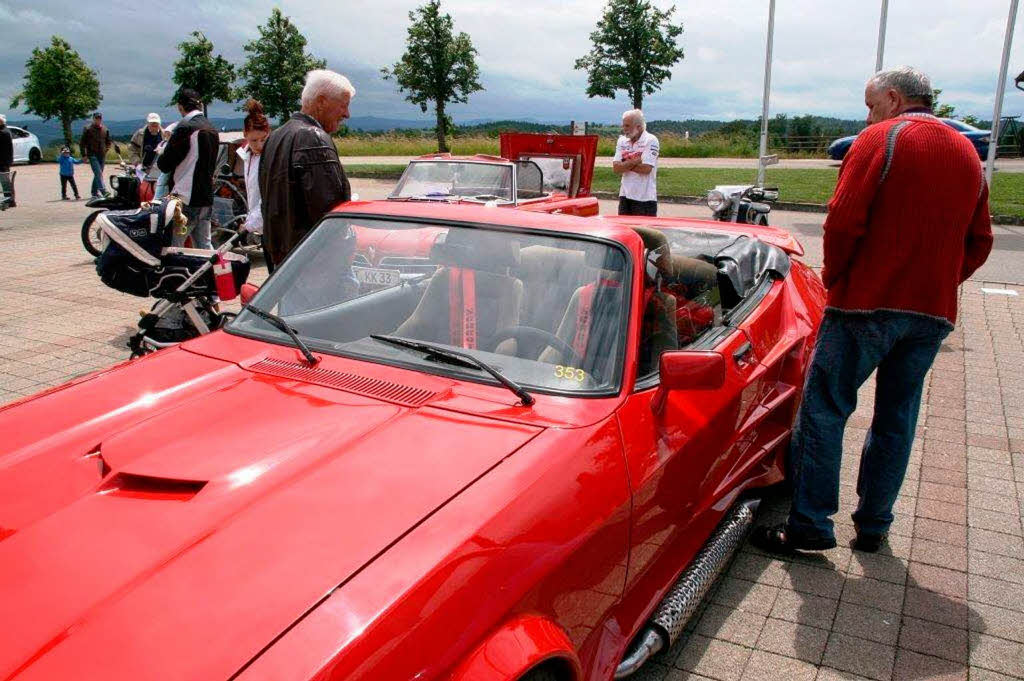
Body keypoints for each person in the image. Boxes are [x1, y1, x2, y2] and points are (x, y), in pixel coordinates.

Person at [752, 66, 993, 555]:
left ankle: (810, 525)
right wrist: (941, 284)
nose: (867, 115)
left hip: (864, 304)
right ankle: (874, 525)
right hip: (931, 314)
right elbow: (980, 239)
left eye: (870, 105)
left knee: (825, 408)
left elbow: (841, 224)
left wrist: (837, 281)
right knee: (896, 417)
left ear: (893, 98)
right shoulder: (967, 152)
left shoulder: (879, 140)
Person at [259, 69, 353, 271]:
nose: (347, 114)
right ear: (321, 101)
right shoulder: (314, 138)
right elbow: (330, 211)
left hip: (283, 260)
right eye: (344, 106)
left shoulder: (275, 137)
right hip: (313, 263)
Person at [157, 89, 218, 249]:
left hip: (185, 197)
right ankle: (217, 274)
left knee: (173, 246)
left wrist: (163, 150)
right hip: (206, 196)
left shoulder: (185, 128)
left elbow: (165, 164)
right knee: (205, 246)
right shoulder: (211, 128)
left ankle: (176, 275)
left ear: (180, 107)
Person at [612, 109, 660, 216]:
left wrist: (624, 163)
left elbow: (646, 169)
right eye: (623, 125)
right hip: (624, 196)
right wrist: (635, 161)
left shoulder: (651, 140)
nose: (624, 129)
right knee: (625, 231)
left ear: (638, 127)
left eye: (627, 126)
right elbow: (616, 168)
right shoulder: (622, 141)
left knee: (643, 232)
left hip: (645, 199)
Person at [237, 99, 270, 244]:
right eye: (254, 140)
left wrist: (250, 224)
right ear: (245, 134)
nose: (259, 145)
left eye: (264, 139)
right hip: (261, 224)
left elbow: (268, 196)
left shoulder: (271, 156)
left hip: (274, 224)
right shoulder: (247, 156)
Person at [80, 112, 112, 198]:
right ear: (93, 119)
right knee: (98, 172)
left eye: (99, 118)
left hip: (102, 154)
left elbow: (108, 141)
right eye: (96, 118)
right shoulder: (87, 129)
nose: (98, 120)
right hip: (92, 154)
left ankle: (94, 192)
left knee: (99, 173)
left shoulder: (105, 129)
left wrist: (107, 149)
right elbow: (82, 143)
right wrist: (84, 155)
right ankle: (103, 191)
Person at [0, 114, 14, 208]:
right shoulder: (5, 130)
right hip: (4, 160)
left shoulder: (3, 132)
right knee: (6, 182)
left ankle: (9, 201)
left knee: (5, 182)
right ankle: (10, 200)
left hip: (3, 161)